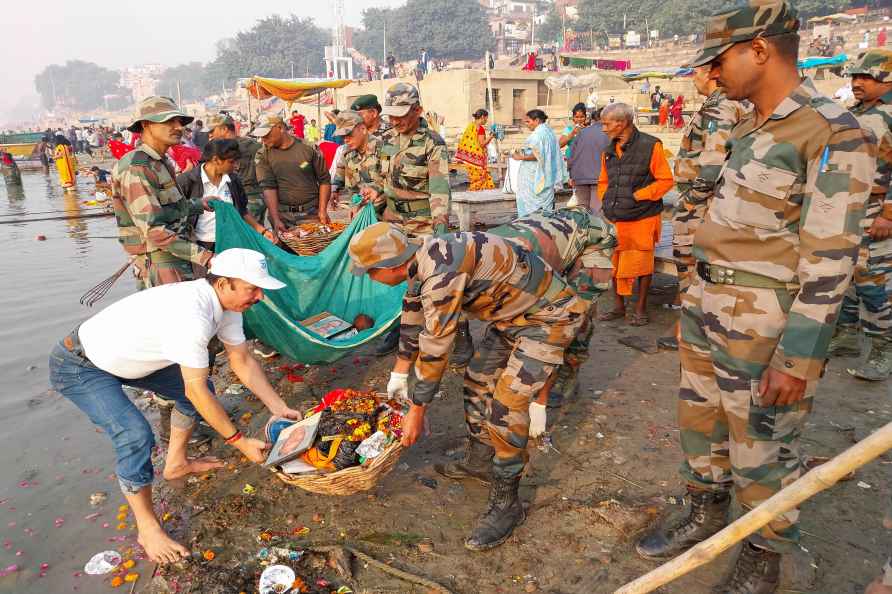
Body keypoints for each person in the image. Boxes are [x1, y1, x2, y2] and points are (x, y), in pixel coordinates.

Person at [634, 2, 876, 591]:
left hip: (767, 320)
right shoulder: (751, 126)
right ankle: (705, 509)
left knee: (764, 443)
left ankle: (765, 553)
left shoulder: (831, 131)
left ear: (760, 50)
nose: (712, 75)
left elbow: (831, 257)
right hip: (710, 305)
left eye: (719, 61)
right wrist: (694, 296)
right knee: (701, 423)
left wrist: (797, 358)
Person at [48, 248, 301, 564]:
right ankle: (147, 527)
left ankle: (176, 464)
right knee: (134, 435)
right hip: (81, 363)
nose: (260, 296)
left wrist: (278, 407)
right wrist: (239, 442)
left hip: (131, 358)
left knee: (201, 387)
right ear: (224, 283)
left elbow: (241, 359)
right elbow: (195, 393)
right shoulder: (192, 315)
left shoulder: (228, 306)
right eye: (253, 288)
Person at [350, 222, 587, 551]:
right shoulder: (422, 258)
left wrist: (417, 410)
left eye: (370, 273)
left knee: (506, 407)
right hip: (512, 318)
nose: (370, 279)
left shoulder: (441, 272)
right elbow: (412, 316)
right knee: (476, 380)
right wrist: (399, 374)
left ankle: (507, 505)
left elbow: (437, 346)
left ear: (391, 265)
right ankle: (480, 461)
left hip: (549, 318)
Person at [436, 207, 615, 486]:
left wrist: (538, 401)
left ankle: (570, 373)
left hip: (591, 241)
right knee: (484, 369)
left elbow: (555, 332)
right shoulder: (466, 264)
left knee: (576, 317)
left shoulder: (515, 266)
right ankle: (480, 459)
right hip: (545, 246)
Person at [659, 65, 749, 351]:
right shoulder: (717, 104)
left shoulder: (722, 106)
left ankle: (691, 332)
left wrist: (692, 198)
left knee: (691, 264)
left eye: (696, 73)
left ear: (712, 74)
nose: (693, 79)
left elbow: (713, 159)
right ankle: (690, 328)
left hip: (699, 201)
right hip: (701, 198)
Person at [359, 82, 453, 357]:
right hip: (393, 224)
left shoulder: (432, 143)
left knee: (434, 282)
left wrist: (439, 233)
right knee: (400, 280)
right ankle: (399, 330)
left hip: (423, 224)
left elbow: (439, 189)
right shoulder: (387, 140)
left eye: (401, 114)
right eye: (391, 114)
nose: (395, 119)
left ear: (418, 110)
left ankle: (458, 334)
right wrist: (373, 190)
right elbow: (382, 179)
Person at [829, 49, 892, 381]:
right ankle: (847, 335)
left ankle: (884, 346)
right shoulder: (855, 112)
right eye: (855, 76)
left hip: (877, 211)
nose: (857, 82)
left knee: (874, 282)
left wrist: (889, 215)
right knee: (848, 277)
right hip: (848, 207)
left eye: (866, 77)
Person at [112, 96, 213, 288]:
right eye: (169, 121)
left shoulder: (160, 162)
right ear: (146, 124)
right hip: (161, 263)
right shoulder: (137, 167)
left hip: (178, 256)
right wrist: (206, 257)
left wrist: (199, 204)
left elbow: (170, 208)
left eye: (180, 122)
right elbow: (154, 231)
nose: (178, 127)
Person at [596, 102, 674, 327]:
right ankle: (619, 307)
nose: (604, 128)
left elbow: (666, 180)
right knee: (614, 262)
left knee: (642, 264)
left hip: (643, 217)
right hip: (615, 217)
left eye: (606, 124)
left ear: (622, 123)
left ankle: (640, 308)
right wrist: (606, 198)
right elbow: (603, 181)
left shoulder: (651, 146)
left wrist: (640, 196)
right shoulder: (609, 150)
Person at [176, 139, 277, 254]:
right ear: (216, 160)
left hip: (231, 244)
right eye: (231, 162)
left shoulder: (233, 180)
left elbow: (242, 211)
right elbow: (176, 211)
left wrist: (262, 231)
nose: (236, 166)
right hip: (200, 246)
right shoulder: (187, 181)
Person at [252, 115, 332, 233]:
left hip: (310, 214)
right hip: (282, 216)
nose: (263, 140)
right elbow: (268, 187)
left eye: (266, 135)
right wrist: (275, 219)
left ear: (280, 128)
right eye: (261, 137)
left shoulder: (308, 148)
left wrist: (322, 210)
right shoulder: (263, 154)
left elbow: (324, 180)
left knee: (314, 249)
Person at [207, 114, 265, 224]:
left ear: (224, 129)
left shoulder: (229, 149)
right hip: (254, 197)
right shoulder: (252, 144)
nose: (211, 134)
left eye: (212, 130)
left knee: (246, 235)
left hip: (246, 199)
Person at [331, 111, 386, 215]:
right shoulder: (347, 153)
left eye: (349, 134)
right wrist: (334, 190)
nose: (346, 140)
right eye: (343, 136)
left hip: (383, 213)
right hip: (359, 209)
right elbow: (341, 171)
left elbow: (390, 180)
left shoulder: (384, 149)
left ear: (363, 129)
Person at [511, 109, 562, 218]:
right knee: (545, 206)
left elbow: (538, 155)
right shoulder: (549, 132)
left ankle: (530, 226)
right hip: (547, 175)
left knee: (531, 209)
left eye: (528, 122)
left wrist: (520, 157)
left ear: (537, 120)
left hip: (535, 177)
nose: (526, 125)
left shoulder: (538, 135)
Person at [567, 108, 610, 215]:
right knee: (596, 211)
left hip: (579, 176)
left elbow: (571, 155)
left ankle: (582, 231)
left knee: (582, 211)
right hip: (599, 178)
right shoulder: (609, 133)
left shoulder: (582, 132)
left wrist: (571, 175)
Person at [455, 108, 496, 191]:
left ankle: (475, 191)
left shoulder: (470, 126)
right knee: (481, 179)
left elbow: (465, 141)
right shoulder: (480, 129)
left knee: (475, 179)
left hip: (468, 158)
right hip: (477, 159)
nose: (486, 121)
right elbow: (482, 144)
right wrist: (491, 136)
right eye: (486, 118)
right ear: (482, 117)